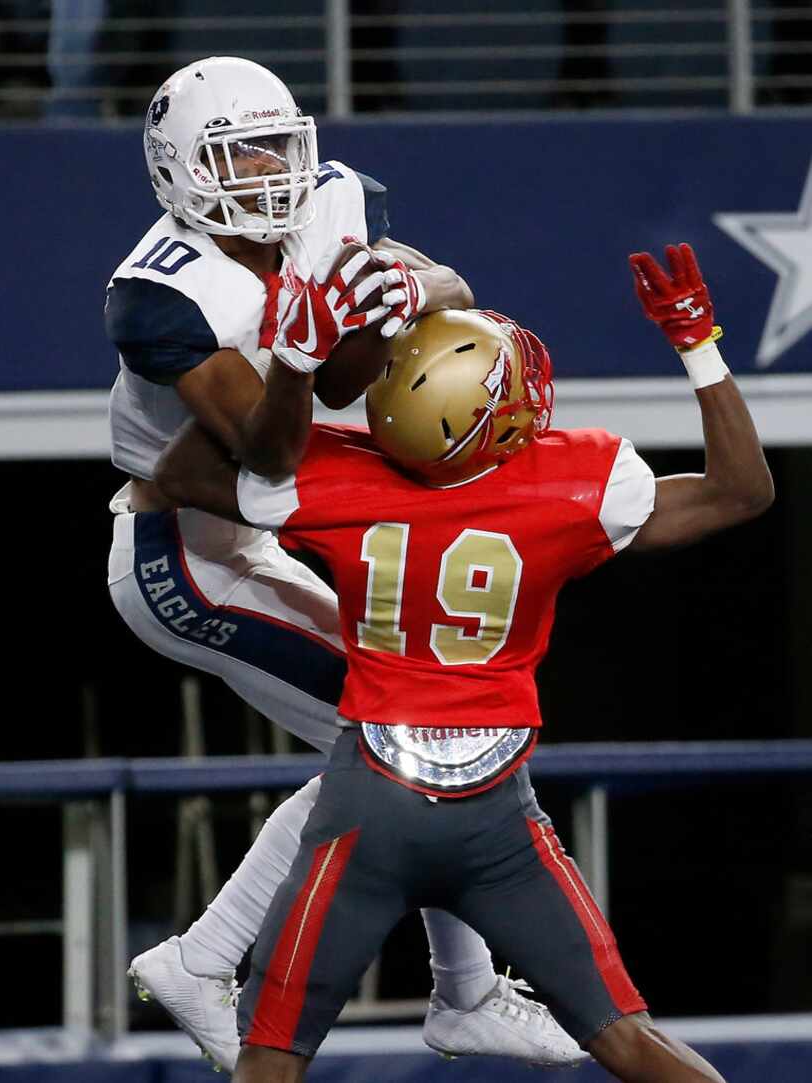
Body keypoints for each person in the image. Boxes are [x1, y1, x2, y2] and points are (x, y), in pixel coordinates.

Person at [153, 242, 773, 1083]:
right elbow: (742, 489)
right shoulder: (569, 483)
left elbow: (181, 473)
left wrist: (293, 361)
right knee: (628, 1036)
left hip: (367, 802)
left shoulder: (334, 482)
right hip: (494, 816)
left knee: (270, 1054)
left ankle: (448, 992)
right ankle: (471, 996)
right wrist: (698, 346)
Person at [107, 55, 581, 1072]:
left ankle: (459, 995)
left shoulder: (328, 200)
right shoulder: (162, 294)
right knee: (395, 737)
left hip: (249, 533)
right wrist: (302, 337)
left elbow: (425, 304)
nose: (268, 172)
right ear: (180, 171)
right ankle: (209, 957)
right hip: (183, 551)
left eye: (278, 144)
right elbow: (262, 454)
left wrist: (395, 286)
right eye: (237, 155)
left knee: (426, 719)